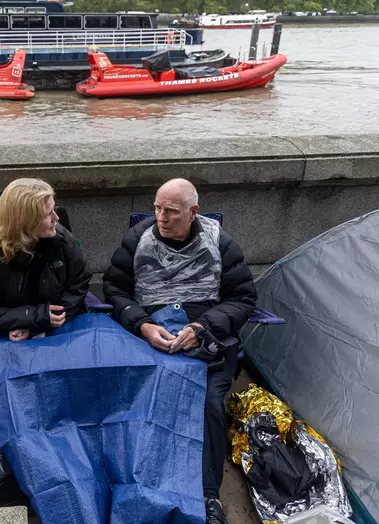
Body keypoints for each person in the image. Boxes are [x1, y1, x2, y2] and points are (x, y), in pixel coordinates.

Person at [102, 178, 257, 524]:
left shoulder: (220, 242)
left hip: (205, 337)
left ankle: (207, 497)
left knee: (208, 404)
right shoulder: (137, 240)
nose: (161, 217)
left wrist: (204, 328)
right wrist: (141, 323)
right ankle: (140, 490)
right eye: (157, 208)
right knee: (142, 396)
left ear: (193, 213)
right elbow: (114, 289)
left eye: (171, 211)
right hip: (149, 332)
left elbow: (244, 298)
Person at [0, 178, 91, 348]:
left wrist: (45, 321)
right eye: (48, 214)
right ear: (26, 222)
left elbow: (78, 284)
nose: (56, 218)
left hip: (60, 325)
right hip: (6, 334)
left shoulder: (62, 240)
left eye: (54, 209)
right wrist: (31, 318)